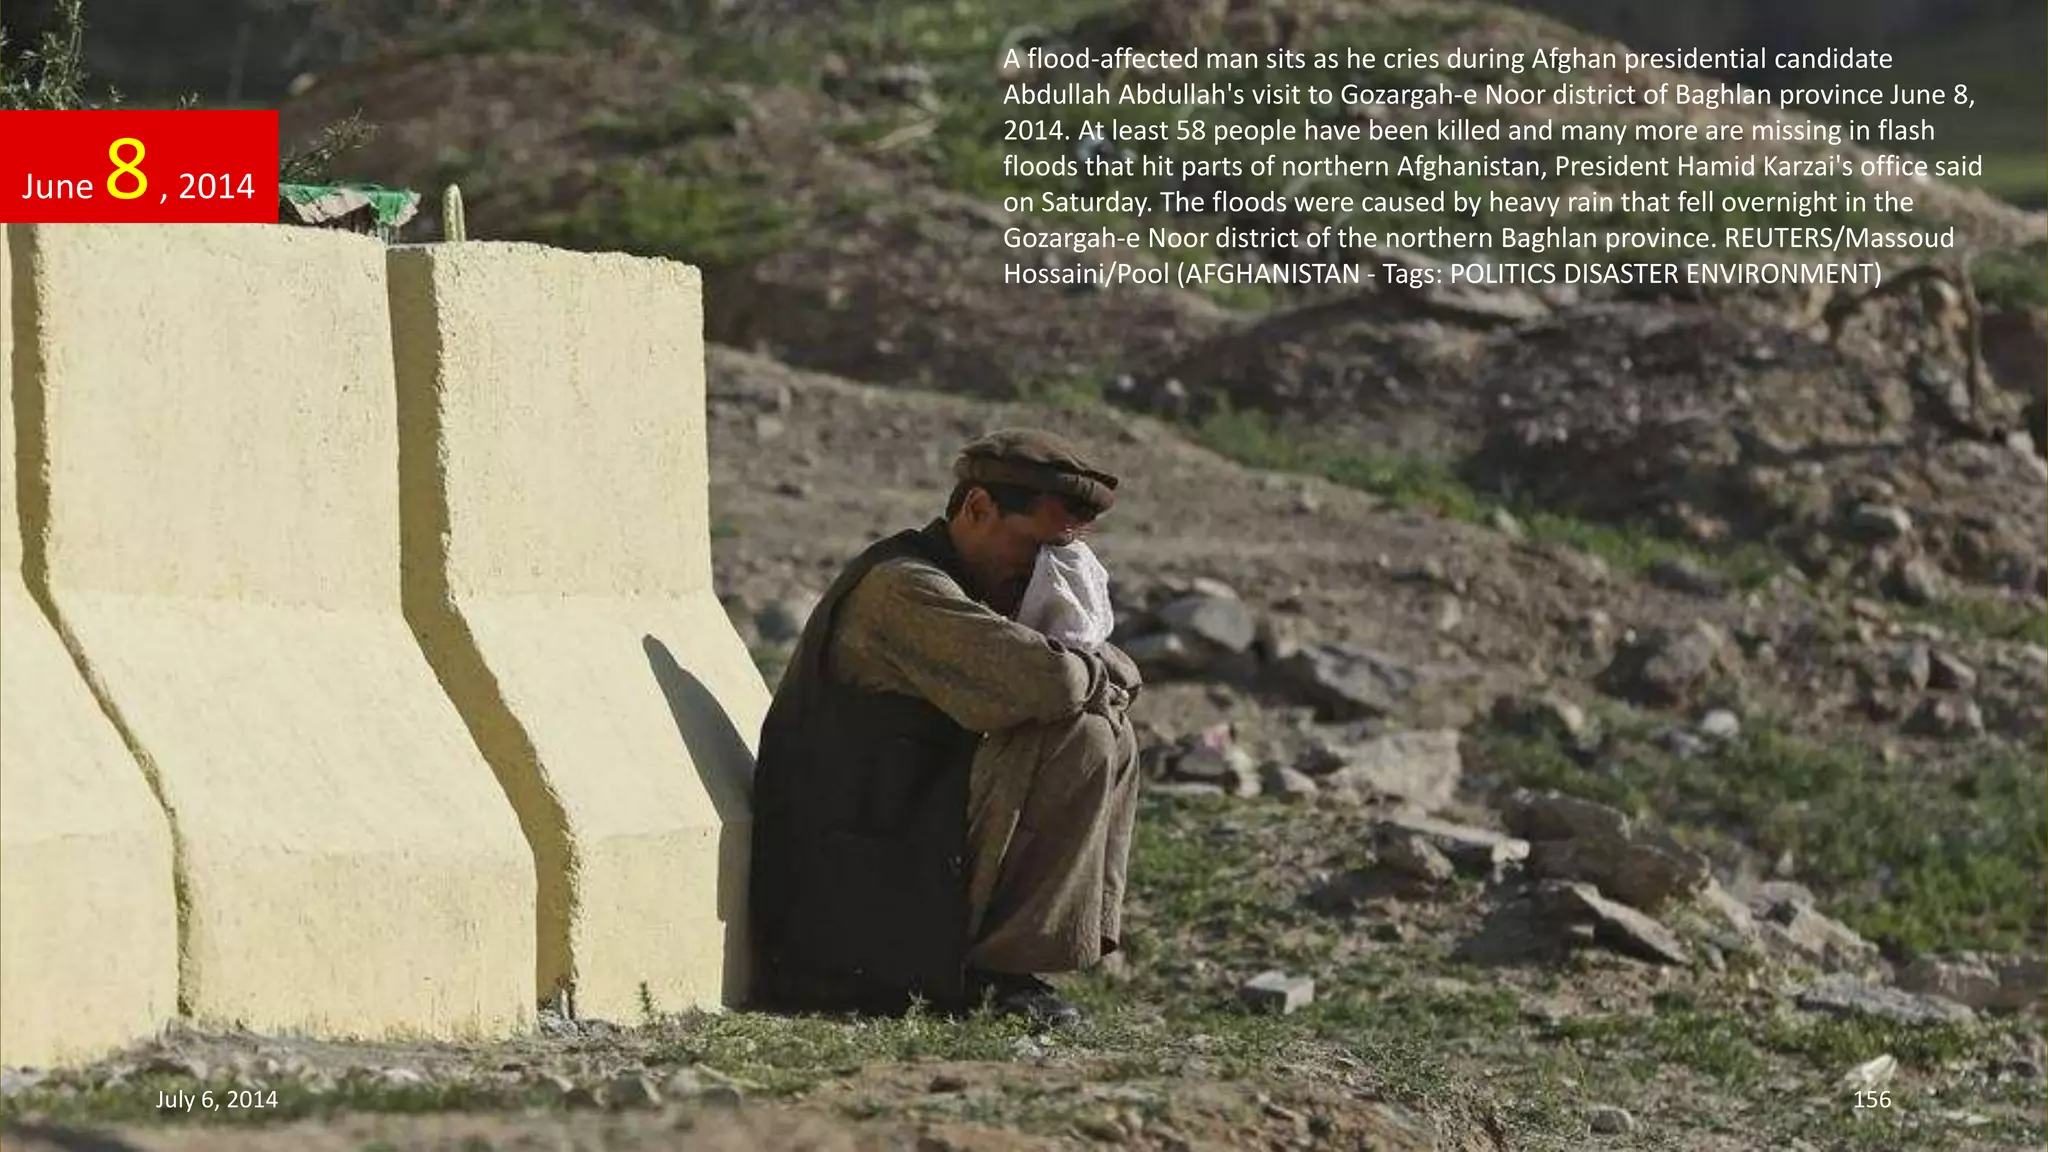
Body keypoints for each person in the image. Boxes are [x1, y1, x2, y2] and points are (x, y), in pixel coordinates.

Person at [748, 428, 1144, 1029]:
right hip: (845, 908)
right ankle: (992, 977)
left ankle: (1002, 971)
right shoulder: (904, 586)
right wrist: (1098, 666)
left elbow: (1089, 674)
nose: (1047, 573)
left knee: (1109, 733)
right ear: (978, 509)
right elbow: (1051, 684)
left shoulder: (978, 589)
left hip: (905, 858)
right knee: (1079, 735)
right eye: (1035, 549)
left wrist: (1091, 666)